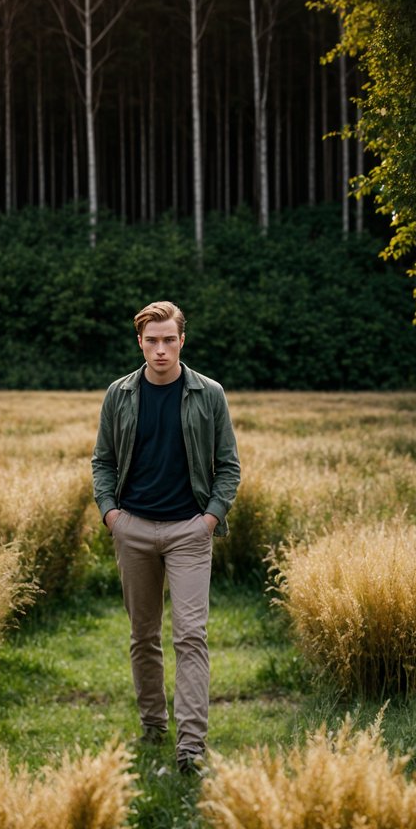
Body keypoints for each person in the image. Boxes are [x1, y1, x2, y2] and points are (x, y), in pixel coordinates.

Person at [92, 300, 241, 774]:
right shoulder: (120, 394)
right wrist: (112, 514)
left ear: (182, 341)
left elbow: (228, 466)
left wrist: (211, 519)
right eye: (151, 341)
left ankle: (190, 747)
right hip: (132, 529)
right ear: (140, 342)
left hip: (189, 532)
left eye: (169, 340)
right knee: (143, 636)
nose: (161, 349)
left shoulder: (209, 393)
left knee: (191, 637)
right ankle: (153, 725)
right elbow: (103, 461)